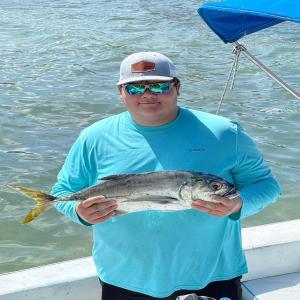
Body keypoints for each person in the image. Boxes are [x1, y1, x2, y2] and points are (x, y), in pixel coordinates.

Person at [52, 51, 281, 300]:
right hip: (125, 276)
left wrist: (238, 204)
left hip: (211, 273)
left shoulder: (224, 132)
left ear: (177, 87)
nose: (148, 94)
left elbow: (266, 185)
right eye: (135, 88)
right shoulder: (93, 137)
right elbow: (63, 192)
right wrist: (80, 213)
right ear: (121, 92)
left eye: (160, 86)